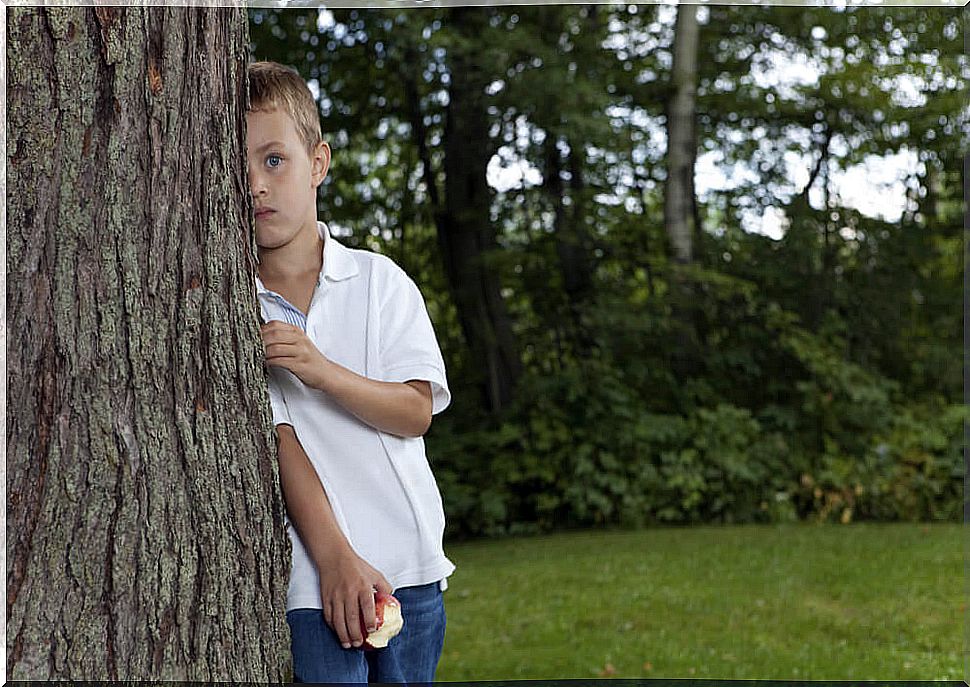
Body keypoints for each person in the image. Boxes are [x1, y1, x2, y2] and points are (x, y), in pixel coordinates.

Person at [246, 60, 454, 684]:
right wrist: (335, 559)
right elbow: (280, 441)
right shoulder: (232, 310)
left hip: (410, 568)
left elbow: (415, 411)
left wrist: (321, 370)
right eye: (236, 167)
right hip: (316, 580)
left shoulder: (378, 281)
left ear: (317, 163)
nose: (254, 184)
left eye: (274, 159)